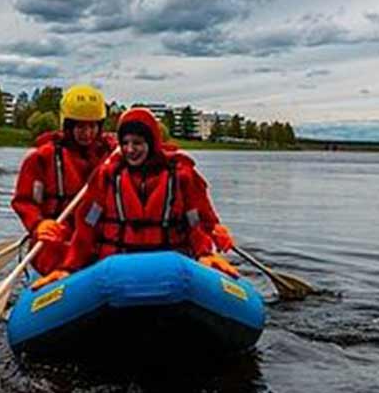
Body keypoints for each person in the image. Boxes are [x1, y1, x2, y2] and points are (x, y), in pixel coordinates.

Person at [31, 106, 237, 288]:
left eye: (137, 143)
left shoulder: (181, 175)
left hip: (170, 267)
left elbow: (195, 222)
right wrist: (68, 267)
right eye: (125, 143)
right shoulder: (106, 177)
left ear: (152, 143)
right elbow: (87, 227)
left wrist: (204, 253)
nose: (130, 150)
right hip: (116, 270)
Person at [11, 84, 116, 275]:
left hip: (97, 238)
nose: (87, 133)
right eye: (80, 127)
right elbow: (24, 201)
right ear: (68, 126)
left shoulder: (113, 155)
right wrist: (38, 224)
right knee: (51, 251)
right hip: (58, 239)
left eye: (92, 126)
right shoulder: (42, 158)